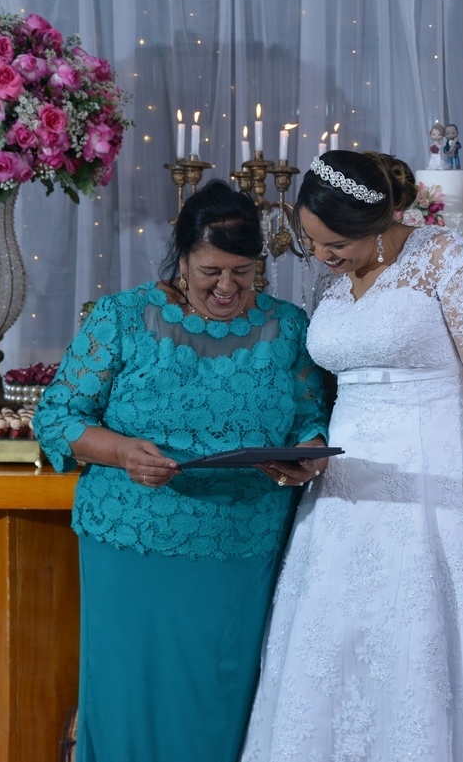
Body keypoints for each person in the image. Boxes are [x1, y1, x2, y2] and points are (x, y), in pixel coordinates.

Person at [240, 151, 463, 761]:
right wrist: (308, 454)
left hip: (439, 482)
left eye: (335, 242)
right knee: (340, 650)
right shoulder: (334, 277)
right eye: (313, 242)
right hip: (344, 489)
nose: (323, 256)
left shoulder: (449, 260)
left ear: (380, 220)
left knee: (433, 649)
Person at [33, 180, 329, 762]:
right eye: (210, 271)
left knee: (222, 699)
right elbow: (58, 416)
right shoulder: (120, 318)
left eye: (242, 273)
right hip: (132, 545)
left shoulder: (288, 328)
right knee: (128, 697)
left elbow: (310, 419)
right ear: (182, 255)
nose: (226, 288)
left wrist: (304, 456)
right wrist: (123, 453)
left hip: (241, 548)